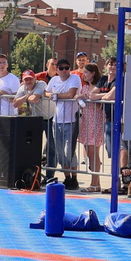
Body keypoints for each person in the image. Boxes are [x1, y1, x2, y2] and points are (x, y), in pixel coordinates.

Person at [45, 56, 83, 187]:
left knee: (69, 151)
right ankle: (67, 177)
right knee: (60, 152)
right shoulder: (54, 80)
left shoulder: (75, 78)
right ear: (57, 70)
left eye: (66, 68)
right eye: (61, 68)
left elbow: (70, 94)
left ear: (69, 69)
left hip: (71, 120)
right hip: (57, 120)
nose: (64, 70)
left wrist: (55, 96)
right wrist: (49, 95)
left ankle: (74, 177)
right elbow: (46, 92)